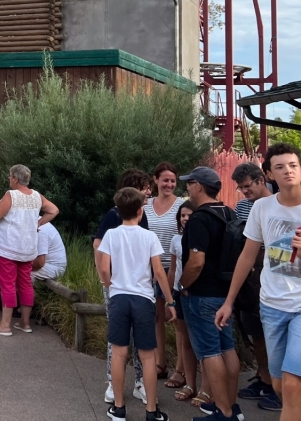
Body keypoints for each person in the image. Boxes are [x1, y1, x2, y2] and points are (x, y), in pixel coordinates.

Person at [216, 142, 301, 421]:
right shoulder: (262, 208)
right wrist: (229, 301)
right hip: (271, 305)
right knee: (279, 385)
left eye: (293, 165)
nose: (288, 171)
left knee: (292, 384)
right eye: (279, 167)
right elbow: (246, 257)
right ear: (269, 174)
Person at [98, 186, 176, 421]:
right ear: (141, 211)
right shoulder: (149, 237)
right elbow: (159, 273)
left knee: (119, 354)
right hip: (143, 299)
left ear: (119, 211)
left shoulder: (111, 234)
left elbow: (103, 268)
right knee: (148, 356)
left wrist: (112, 286)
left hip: (119, 298)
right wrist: (170, 301)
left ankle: (119, 408)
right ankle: (151, 411)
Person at [177, 166, 242, 421]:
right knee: (227, 347)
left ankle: (223, 412)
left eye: (189, 183)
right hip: (226, 293)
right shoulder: (229, 212)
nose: (187, 188)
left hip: (203, 293)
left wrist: (182, 286)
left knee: (209, 352)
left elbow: (196, 262)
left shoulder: (200, 219)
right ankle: (231, 406)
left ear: (199, 186)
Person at [95, 169, 152, 406]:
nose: (149, 191)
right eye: (144, 187)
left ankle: (140, 382)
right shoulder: (113, 215)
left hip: (140, 287)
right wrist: (105, 281)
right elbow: (98, 245)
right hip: (117, 286)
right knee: (117, 338)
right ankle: (112, 382)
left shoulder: (143, 216)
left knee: (141, 338)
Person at [0, 164, 59, 335]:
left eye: (10, 176)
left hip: (8, 247)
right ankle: (25, 323)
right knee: (25, 284)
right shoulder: (36, 196)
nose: (9, 179)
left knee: (7, 284)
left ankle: (5, 325)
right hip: (28, 249)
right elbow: (54, 210)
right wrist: (39, 223)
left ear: (16, 179)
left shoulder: (11, 195)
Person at [230, 161, 277, 409]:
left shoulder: (276, 205)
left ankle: (279, 387)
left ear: (261, 180)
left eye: (247, 186)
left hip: (269, 275)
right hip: (249, 278)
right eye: (241, 188)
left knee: (273, 334)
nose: (244, 192)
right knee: (255, 330)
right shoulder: (243, 207)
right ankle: (264, 377)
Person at [144, 162, 185, 379]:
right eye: (165, 180)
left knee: (176, 316)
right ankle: (161, 363)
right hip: (150, 267)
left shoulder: (182, 205)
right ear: (156, 180)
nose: (169, 184)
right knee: (156, 315)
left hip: (173, 267)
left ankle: (180, 369)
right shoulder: (146, 204)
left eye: (172, 180)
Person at [167, 202, 205, 403]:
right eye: (182, 215)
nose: (185, 218)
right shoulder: (176, 240)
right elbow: (173, 268)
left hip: (198, 292)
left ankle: (206, 388)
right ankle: (190, 383)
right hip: (179, 291)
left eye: (189, 215)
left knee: (201, 340)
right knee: (184, 337)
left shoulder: (201, 237)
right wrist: (170, 295)